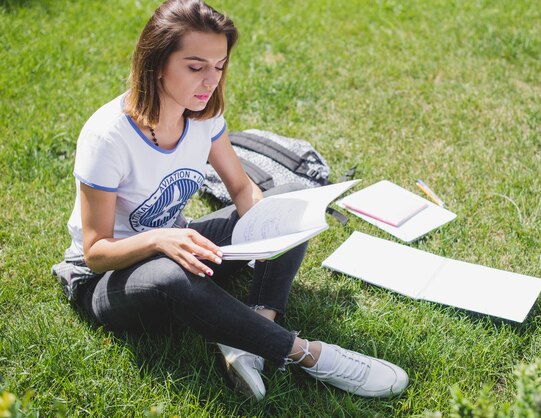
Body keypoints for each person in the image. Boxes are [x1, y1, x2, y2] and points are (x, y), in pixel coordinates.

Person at [52, 0, 408, 401]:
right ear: (156, 62)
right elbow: (96, 250)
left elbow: (241, 189)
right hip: (107, 281)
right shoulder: (108, 137)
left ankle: (251, 334)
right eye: (195, 66)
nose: (211, 80)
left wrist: (264, 227)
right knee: (172, 276)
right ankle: (309, 355)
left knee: (291, 200)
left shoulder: (202, 116)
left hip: (183, 248)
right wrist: (158, 240)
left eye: (219, 66)